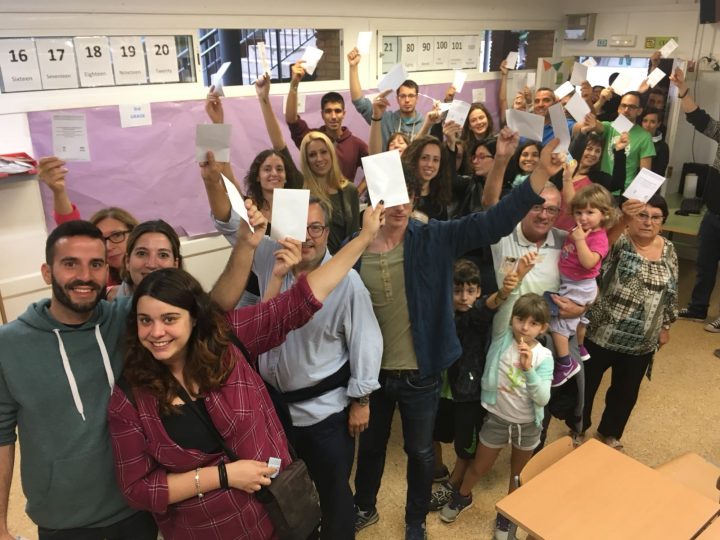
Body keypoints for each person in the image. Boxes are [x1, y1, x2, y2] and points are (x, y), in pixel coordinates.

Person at [107, 197, 386, 540]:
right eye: (145, 321)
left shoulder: (224, 340)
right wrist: (224, 476)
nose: (156, 332)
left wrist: (364, 238)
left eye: (169, 319)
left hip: (277, 520)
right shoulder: (130, 398)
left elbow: (304, 297)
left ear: (194, 319)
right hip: (205, 532)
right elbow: (137, 489)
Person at [352, 138, 565, 540]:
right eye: (389, 197)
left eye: (407, 196)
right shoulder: (358, 246)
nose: (399, 206)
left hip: (421, 371)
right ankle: (364, 506)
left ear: (415, 197)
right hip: (373, 375)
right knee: (372, 448)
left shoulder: (433, 237)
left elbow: (492, 222)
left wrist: (539, 174)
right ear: (374, 200)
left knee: (420, 452)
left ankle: (415, 520)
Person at [209, 191, 382, 540]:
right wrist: (214, 176)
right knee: (287, 494)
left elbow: (367, 341)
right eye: (299, 227)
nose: (307, 237)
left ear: (327, 232)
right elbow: (230, 225)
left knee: (333, 494)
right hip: (275, 413)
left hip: (323, 415)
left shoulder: (347, 282)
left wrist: (362, 399)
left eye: (316, 228)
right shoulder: (273, 262)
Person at [0, 220, 158, 540]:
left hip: (137, 505)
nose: (85, 276)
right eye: (71, 264)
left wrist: (245, 247)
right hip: (62, 521)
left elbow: (208, 306)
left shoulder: (128, 320)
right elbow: (2, 436)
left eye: (95, 264)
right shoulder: (9, 344)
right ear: (47, 272)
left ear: (107, 270)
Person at [438, 292, 553, 536]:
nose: (525, 327)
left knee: (518, 475)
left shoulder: (544, 356)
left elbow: (543, 398)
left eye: (533, 323)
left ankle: (508, 515)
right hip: (497, 420)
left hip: (527, 425)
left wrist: (529, 369)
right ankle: (463, 496)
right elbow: (507, 301)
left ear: (543, 328)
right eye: (520, 319)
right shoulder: (502, 338)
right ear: (512, 319)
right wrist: (516, 279)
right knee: (479, 466)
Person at [578, 195, 678, 451]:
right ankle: (577, 428)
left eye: (655, 217)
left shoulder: (668, 248)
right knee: (586, 385)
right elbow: (595, 258)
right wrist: (622, 218)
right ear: (632, 218)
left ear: (663, 221)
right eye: (642, 215)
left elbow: (671, 290)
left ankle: (610, 432)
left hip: (642, 339)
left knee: (626, 391)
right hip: (602, 331)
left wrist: (665, 326)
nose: (648, 222)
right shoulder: (618, 240)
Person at [429, 257, 528, 512]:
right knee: (434, 432)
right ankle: (438, 470)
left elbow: (486, 307)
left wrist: (504, 291)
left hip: (469, 393)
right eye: (457, 291)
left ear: (478, 291)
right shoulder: (440, 314)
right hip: (439, 389)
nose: (464, 297)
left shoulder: (477, 315)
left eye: (470, 291)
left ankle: (453, 483)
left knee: (465, 444)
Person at [255, 74, 359, 253]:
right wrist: (263, 99)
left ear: (331, 154)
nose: (319, 159)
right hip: (309, 265)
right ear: (306, 159)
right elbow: (279, 144)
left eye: (323, 152)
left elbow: (354, 239)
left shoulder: (349, 191)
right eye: (312, 155)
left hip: (343, 265)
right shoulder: (301, 187)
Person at [549, 184, 615, 387]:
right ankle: (580, 347)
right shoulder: (582, 228)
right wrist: (567, 178)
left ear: (604, 214)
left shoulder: (598, 237)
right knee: (579, 321)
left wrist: (579, 241)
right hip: (575, 283)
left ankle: (565, 363)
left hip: (578, 285)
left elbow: (589, 263)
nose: (583, 217)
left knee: (558, 326)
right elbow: (571, 200)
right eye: (579, 213)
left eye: (590, 212)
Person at [37, 156, 139, 287]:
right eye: (102, 239)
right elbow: (71, 228)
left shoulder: (152, 265)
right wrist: (59, 191)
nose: (109, 247)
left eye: (117, 235)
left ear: (134, 234)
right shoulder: (98, 276)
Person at [670, 68, 720, 332]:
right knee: (704, 264)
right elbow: (700, 119)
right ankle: (698, 308)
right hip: (713, 213)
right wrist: (682, 89)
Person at [285, 61, 368, 182]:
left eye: (337, 111)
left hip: (345, 194)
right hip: (315, 194)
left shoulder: (356, 144)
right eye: (328, 111)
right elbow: (291, 120)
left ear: (344, 114)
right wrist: (294, 83)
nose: (333, 116)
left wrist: (357, 190)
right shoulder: (311, 139)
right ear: (322, 114)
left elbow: (374, 168)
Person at [348, 47, 424, 147]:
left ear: (417, 98)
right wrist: (353, 67)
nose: (407, 100)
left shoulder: (425, 124)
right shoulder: (385, 119)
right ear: (397, 99)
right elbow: (359, 102)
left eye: (411, 96)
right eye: (402, 96)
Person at [557, 131, 627, 232]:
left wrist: (620, 152)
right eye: (589, 149)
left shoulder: (598, 178)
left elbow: (617, 184)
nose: (593, 154)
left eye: (597, 151)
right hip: (551, 227)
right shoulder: (562, 171)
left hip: (577, 234)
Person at [106, 219, 182, 301]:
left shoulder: (190, 304)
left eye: (163, 255)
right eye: (142, 253)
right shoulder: (106, 304)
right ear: (127, 261)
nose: (151, 265)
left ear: (175, 265)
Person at [595, 91, 655, 190]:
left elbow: (645, 173)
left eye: (632, 107)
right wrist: (601, 101)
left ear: (639, 111)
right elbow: (587, 121)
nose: (626, 110)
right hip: (603, 188)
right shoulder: (609, 127)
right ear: (618, 108)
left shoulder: (645, 136)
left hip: (625, 190)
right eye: (623, 106)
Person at [401, 135, 453, 222]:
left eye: (435, 160)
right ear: (414, 159)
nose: (430, 164)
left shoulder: (440, 200)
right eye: (424, 158)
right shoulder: (399, 191)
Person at [639, 108, 669, 177]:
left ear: (658, 124)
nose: (648, 125)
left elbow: (659, 174)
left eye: (652, 122)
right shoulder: (634, 139)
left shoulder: (662, 147)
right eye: (645, 121)